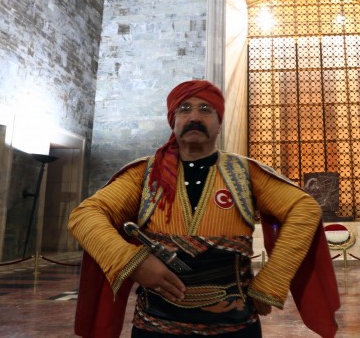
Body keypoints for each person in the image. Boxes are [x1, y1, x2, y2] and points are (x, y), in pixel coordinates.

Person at [69, 79, 340, 338]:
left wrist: (273, 278)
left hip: (235, 329)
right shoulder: (143, 174)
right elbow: (85, 215)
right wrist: (131, 261)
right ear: (173, 121)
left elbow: (304, 207)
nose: (194, 117)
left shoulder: (246, 172)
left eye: (206, 109)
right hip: (156, 328)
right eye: (185, 109)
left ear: (219, 123)